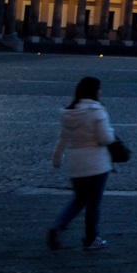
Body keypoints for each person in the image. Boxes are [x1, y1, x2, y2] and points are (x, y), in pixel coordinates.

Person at [48, 76, 114, 251]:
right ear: (94, 91)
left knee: (79, 200)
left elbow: (62, 138)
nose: (101, 92)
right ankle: (91, 238)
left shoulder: (70, 112)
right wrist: (112, 131)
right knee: (93, 203)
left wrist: (57, 157)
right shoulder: (97, 110)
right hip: (96, 163)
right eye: (99, 89)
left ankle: (58, 226)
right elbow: (105, 138)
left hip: (75, 162)